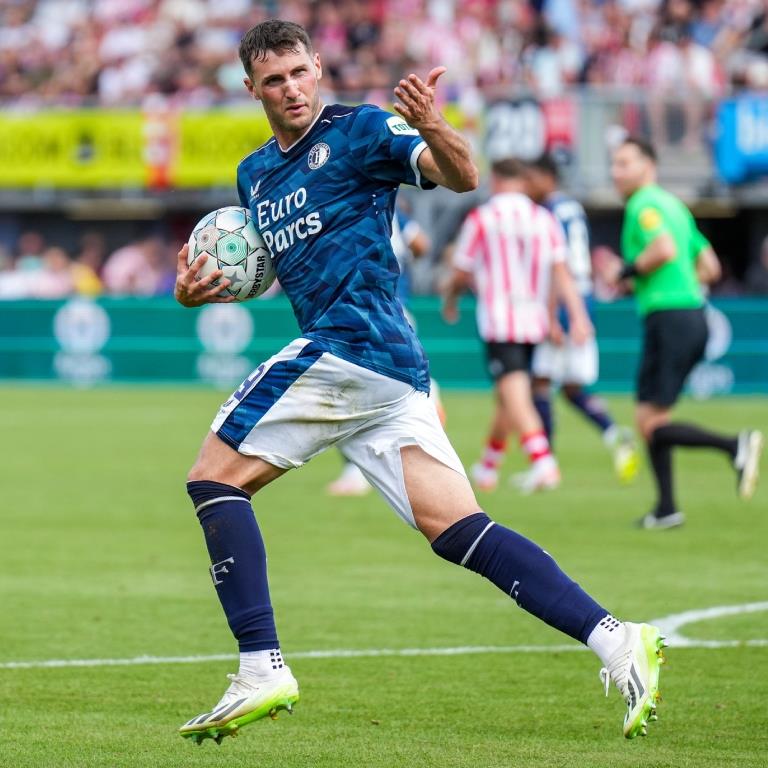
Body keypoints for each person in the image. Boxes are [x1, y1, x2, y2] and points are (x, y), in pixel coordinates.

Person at [173, 20, 666, 745]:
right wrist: (197, 291)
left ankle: (260, 665)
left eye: (301, 72)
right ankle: (618, 638)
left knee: (213, 479)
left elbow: (462, 175)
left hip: (354, 346)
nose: (292, 90)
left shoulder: (364, 131)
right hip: (388, 372)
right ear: (253, 89)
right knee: (459, 528)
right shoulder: (256, 176)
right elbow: (259, 268)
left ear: (319, 68)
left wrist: (436, 126)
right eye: (274, 81)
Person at [606, 136, 763, 529]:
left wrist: (627, 272)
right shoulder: (675, 205)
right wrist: (669, 283)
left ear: (648, 165)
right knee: (650, 417)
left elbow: (663, 249)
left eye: (625, 163)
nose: (616, 172)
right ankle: (666, 508)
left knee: (652, 423)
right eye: (615, 164)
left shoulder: (643, 204)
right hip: (690, 313)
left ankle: (735, 446)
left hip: (670, 317)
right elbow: (708, 266)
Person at [442, 158, 593, 494]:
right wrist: (576, 316)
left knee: (515, 394)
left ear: (494, 180)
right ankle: (488, 465)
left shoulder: (483, 218)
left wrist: (450, 300)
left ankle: (543, 463)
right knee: (508, 395)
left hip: (500, 319)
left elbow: (461, 270)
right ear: (522, 181)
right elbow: (561, 272)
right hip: (535, 320)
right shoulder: (544, 218)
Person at [525, 154, 639, 484]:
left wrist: (555, 316)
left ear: (548, 177)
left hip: (562, 298)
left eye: (533, 177)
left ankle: (545, 464)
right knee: (573, 387)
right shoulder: (573, 209)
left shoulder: (547, 212)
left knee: (540, 382)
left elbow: (555, 264)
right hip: (584, 297)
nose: (529, 185)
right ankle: (614, 433)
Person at [327, 198, 440, 497]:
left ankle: (358, 468)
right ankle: (429, 409)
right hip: (400, 310)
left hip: (371, 310)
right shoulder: (397, 216)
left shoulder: (351, 208)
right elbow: (423, 245)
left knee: (345, 383)